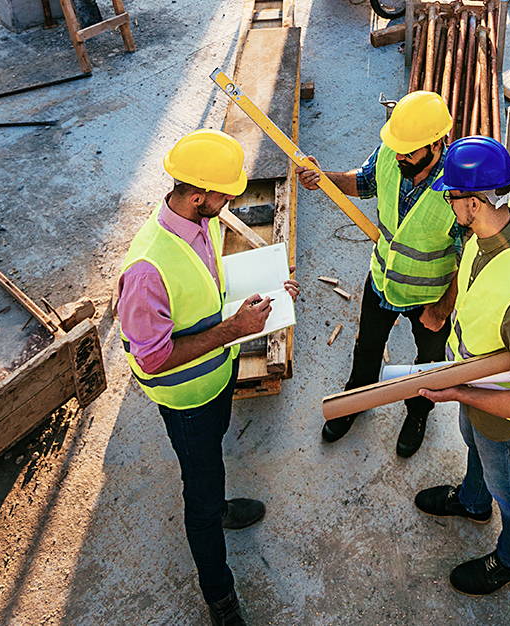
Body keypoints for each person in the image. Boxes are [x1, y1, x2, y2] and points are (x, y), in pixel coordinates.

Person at [117, 129, 300, 625]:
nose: (230, 201)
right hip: (186, 399)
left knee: (214, 455)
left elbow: (208, 288)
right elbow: (152, 358)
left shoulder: (201, 223)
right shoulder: (146, 271)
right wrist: (234, 330)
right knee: (198, 492)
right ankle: (220, 596)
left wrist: (268, 290)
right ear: (198, 195)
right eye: (225, 194)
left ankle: (219, 506)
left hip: (215, 380)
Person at [412, 136, 510, 596]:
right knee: (473, 444)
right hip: (477, 380)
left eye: (451, 194)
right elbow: (473, 278)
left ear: (475, 202)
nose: (446, 200)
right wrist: (443, 314)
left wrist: (460, 392)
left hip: (506, 413)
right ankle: (474, 502)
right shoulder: (506, 222)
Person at [296, 91, 462, 457]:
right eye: (398, 148)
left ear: (437, 144)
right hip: (383, 279)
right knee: (367, 348)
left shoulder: (459, 185)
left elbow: (466, 260)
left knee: (428, 364)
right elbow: (364, 182)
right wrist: (324, 178)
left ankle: (418, 413)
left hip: (429, 295)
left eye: (410, 151)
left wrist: (440, 311)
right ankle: (358, 398)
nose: (400, 156)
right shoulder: (392, 151)